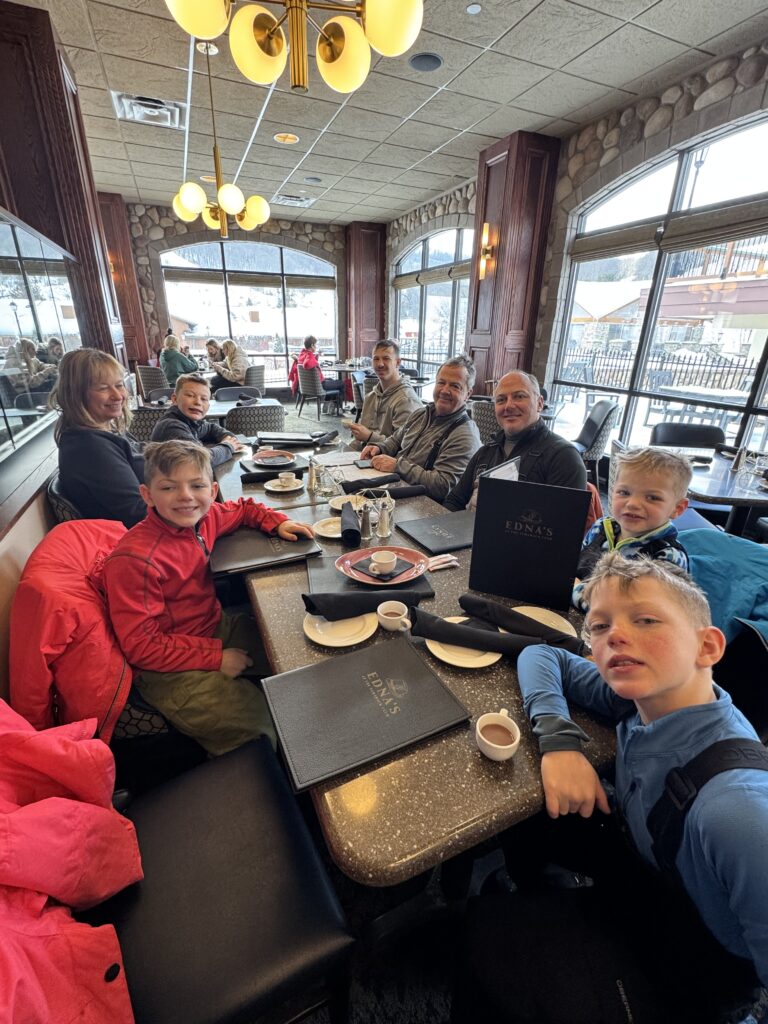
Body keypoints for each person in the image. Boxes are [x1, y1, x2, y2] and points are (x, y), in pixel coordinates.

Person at [516, 554, 768, 1015]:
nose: (614, 635)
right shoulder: (643, 698)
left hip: (694, 975)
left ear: (707, 647)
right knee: (526, 822)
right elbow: (542, 654)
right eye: (598, 626)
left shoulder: (738, 814)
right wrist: (558, 741)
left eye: (646, 619)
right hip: (646, 887)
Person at [103, 439, 313, 756]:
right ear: (147, 495)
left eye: (196, 485)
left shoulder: (205, 517)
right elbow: (142, 647)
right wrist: (216, 658)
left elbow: (243, 508)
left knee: (295, 651)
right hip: (168, 669)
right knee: (266, 725)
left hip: (214, 627)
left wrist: (279, 521)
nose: (186, 496)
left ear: (212, 491)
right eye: (169, 488)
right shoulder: (135, 560)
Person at [444, 370, 586, 511]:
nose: (509, 406)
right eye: (501, 400)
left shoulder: (564, 458)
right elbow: (454, 501)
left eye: (519, 396)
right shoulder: (486, 452)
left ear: (540, 403)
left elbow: (566, 528)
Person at [572, 446, 690, 611]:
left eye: (652, 497)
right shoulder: (601, 527)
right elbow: (571, 566)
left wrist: (572, 588)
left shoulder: (667, 557)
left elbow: (622, 610)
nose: (633, 504)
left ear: (677, 508)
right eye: (624, 492)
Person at [359, 356, 481, 502]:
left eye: (455, 386)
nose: (444, 390)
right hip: (395, 489)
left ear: (468, 394)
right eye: (441, 383)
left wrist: (398, 466)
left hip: (421, 506)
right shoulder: (421, 414)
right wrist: (379, 448)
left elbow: (443, 486)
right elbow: (395, 440)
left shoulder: (465, 435)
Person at [52, 348, 146, 527]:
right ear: (76, 395)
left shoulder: (103, 431)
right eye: (103, 388)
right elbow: (138, 514)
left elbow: (144, 450)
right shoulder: (89, 448)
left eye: (119, 385)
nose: (118, 395)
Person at [150, 372, 246, 467]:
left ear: (209, 405)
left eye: (204, 399)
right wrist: (228, 446)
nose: (198, 402)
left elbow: (210, 428)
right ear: (175, 399)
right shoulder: (171, 426)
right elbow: (200, 461)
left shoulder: (189, 421)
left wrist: (226, 436)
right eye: (190, 395)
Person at [347, 339, 422, 450]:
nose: (380, 364)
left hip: (388, 463)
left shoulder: (406, 400)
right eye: (376, 359)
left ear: (398, 362)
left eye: (386, 358)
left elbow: (404, 447)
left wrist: (369, 436)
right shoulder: (370, 397)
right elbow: (359, 441)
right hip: (364, 458)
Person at [292, 336, 344, 402]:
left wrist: (315, 360)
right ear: (312, 345)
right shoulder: (309, 355)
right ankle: (336, 407)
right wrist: (315, 363)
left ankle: (328, 405)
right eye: (315, 344)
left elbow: (307, 364)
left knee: (331, 380)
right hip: (319, 385)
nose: (316, 346)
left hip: (308, 386)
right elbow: (307, 364)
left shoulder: (302, 355)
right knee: (341, 383)